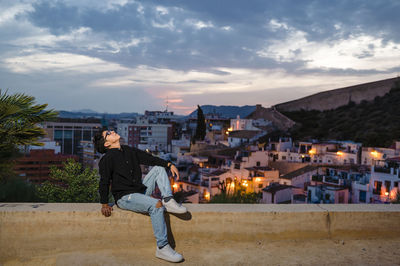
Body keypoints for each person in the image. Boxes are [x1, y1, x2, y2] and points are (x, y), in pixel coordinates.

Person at [93, 129, 186, 263]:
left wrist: (169, 164)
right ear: (106, 144)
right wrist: (104, 203)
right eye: (108, 133)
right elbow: (104, 182)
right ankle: (162, 247)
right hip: (125, 198)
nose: (112, 131)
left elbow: (149, 159)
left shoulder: (128, 150)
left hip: (139, 191)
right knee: (157, 205)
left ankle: (169, 200)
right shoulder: (107, 159)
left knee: (158, 169)